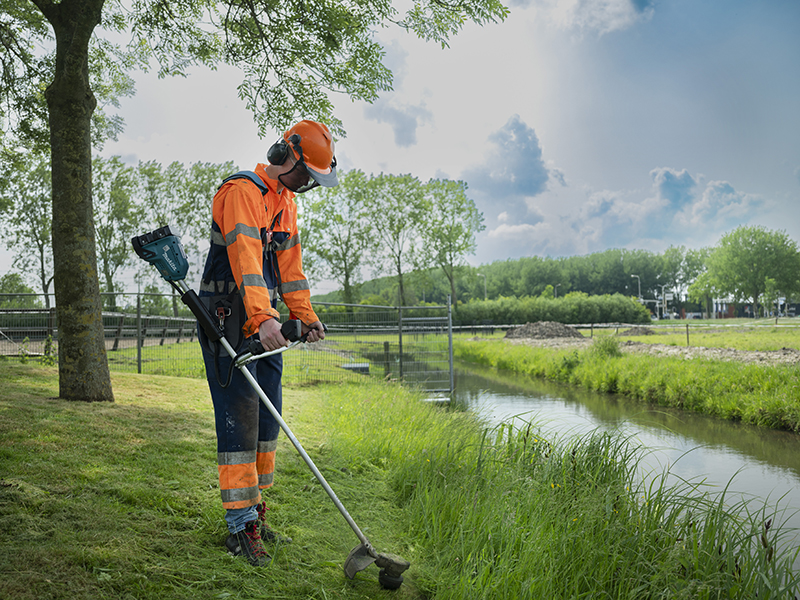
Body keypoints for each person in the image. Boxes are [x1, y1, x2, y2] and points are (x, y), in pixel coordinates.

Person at [197, 120, 337, 566]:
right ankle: (239, 526)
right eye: (305, 176)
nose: (308, 186)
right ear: (286, 155)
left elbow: (290, 269)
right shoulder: (242, 191)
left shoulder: (286, 203)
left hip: (265, 318)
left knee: (267, 413)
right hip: (230, 313)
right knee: (240, 415)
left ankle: (256, 512)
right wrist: (261, 318)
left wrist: (305, 315)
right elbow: (245, 262)